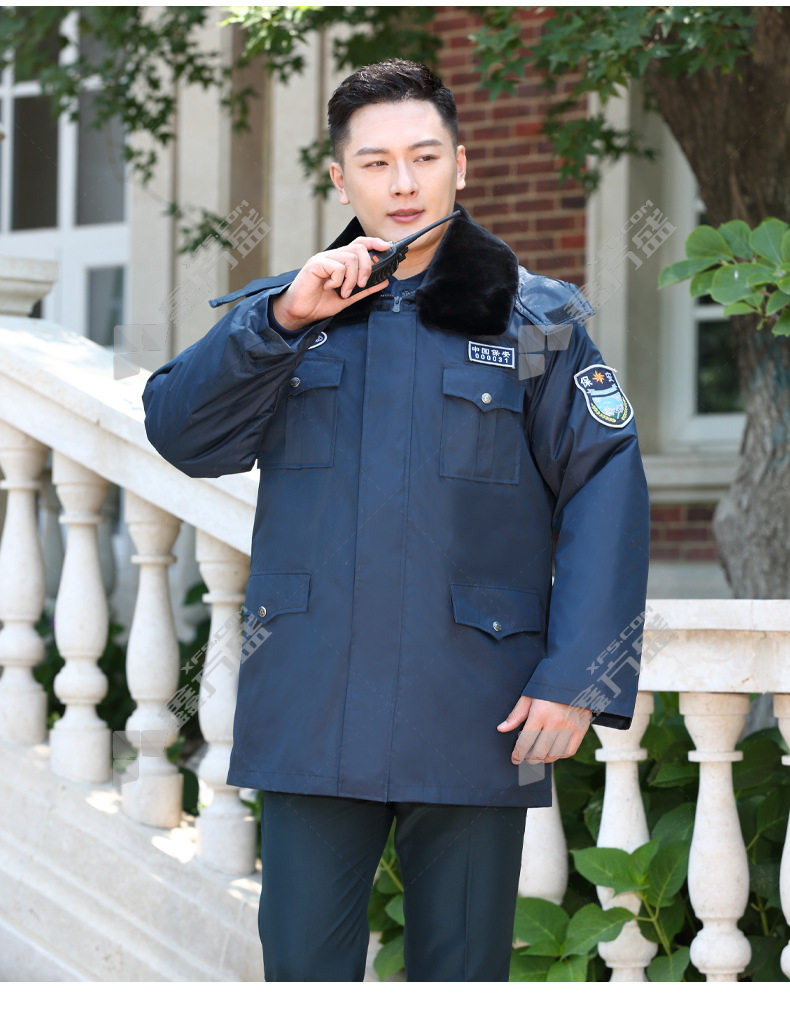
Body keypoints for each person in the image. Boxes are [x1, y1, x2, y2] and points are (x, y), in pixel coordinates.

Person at [143, 59, 650, 982]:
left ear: (462, 164)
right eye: (376, 163)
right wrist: (280, 322)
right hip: (311, 702)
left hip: (480, 709)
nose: (404, 183)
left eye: (425, 156)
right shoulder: (292, 313)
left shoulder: (535, 323)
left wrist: (578, 677)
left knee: (462, 977)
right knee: (303, 971)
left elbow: (605, 484)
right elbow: (183, 435)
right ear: (340, 180)